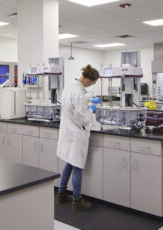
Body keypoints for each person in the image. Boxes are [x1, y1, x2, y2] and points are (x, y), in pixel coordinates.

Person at [56, 65, 100, 212]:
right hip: (77, 134)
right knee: (78, 166)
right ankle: (77, 200)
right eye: (92, 83)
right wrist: (91, 111)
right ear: (87, 79)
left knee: (70, 161)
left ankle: (62, 193)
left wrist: (88, 105)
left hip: (68, 132)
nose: (91, 85)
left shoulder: (69, 86)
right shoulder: (80, 94)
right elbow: (82, 117)